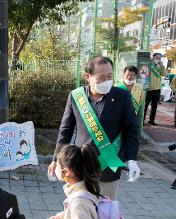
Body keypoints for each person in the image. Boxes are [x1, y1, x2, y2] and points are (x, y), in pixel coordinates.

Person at [48, 56, 140, 200]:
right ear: (88, 76)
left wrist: (132, 159)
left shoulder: (122, 96)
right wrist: (56, 159)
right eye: (101, 77)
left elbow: (131, 130)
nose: (106, 81)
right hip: (79, 167)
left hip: (108, 167)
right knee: (79, 212)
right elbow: (65, 131)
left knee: (105, 215)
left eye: (109, 76)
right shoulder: (76, 96)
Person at [48, 144, 101, 219]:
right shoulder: (88, 187)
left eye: (58, 165)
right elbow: (87, 216)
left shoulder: (79, 202)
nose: (56, 168)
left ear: (67, 172)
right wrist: (64, 216)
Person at [144, 53, 166, 126]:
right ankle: (142, 120)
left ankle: (151, 120)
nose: (158, 59)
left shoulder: (160, 66)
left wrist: (162, 65)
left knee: (154, 105)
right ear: (153, 57)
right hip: (149, 88)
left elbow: (164, 74)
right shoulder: (148, 64)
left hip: (157, 88)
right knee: (145, 105)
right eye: (157, 58)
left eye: (159, 58)